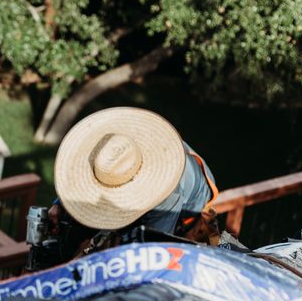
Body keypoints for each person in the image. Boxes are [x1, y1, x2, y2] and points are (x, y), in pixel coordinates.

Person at [37, 107, 219, 266]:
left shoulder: (165, 194)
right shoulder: (113, 147)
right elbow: (86, 176)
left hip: (191, 202)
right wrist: (61, 203)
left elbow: (153, 247)